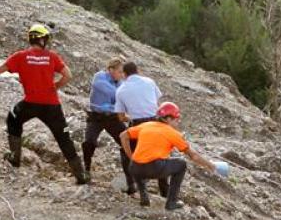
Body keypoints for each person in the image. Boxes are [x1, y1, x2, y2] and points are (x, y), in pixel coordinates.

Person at [0, 23, 88, 184]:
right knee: (64, 138)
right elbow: (68, 75)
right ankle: (80, 175)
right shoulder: (52, 56)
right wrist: (55, 86)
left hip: (30, 103)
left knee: (13, 118)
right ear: (42, 40)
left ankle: (15, 157)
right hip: (52, 106)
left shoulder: (20, 56)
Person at [119, 102, 218, 210]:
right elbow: (193, 156)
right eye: (176, 119)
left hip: (134, 168)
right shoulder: (172, 133)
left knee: (154, 160)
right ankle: (171, 202)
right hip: (153, 168)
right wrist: (210, 165)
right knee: (181, 164)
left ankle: (144, 197)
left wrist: (131, 156)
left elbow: (123, 135)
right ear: (169, 119)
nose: (178, 121)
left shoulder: (146, 125)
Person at [81, 57, 134, 192]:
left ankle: (130, 180)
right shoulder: (99, 77)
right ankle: (86, 169)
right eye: (120, 72)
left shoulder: (120, 82)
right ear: (111, 70)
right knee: (89, 142)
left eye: (123, 73)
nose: (122, 75)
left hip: (112, 119)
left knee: (127, 143)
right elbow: (114, 94)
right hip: (96, 117)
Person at [114, 61, 166, 197]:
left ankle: (132, 185)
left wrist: (130, 117)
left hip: (137, 124)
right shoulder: (149, 81)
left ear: (124, 74)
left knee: (127, 153)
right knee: (160, 153)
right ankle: (165, 192)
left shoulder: (121, 90)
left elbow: (120, 117)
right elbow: (157, 104)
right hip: (155, 121)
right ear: (138, 70)